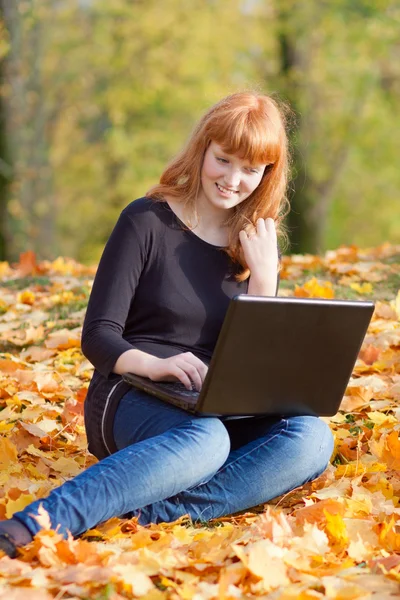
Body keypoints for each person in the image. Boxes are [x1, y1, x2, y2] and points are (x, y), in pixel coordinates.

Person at [0, 91, 334, 558]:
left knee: (311, 436)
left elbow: (255, 357)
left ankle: (152, 514)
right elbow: (98, 335)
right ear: (203, 148)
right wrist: (155, 365)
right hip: (134, 392)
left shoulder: (254, 241)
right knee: (206, 441)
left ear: (267, 175)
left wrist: (265, 278)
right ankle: (38, 523)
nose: (234, 180)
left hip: (215, 403)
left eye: (250, 169)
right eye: (224, 160)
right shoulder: (145, 221)